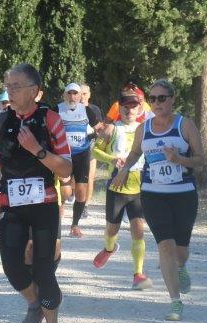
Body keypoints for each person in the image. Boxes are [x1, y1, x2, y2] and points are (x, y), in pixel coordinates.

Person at [0, 64, 72, 323]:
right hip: (11, 206)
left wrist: (36, 150)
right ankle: (34, 304)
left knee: (44, 270)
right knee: (12, 267)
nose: (10, 92)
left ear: (35, 91)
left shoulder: (50, 120)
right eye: (8, 86)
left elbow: (66, 169)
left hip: (44, 206)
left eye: (16, 86)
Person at [112, 79, 203, 321]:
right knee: (165, 246)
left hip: (183, 195)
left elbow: (201, 160)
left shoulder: (185, 125)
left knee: (181, 250)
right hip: (153, 194)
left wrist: (180, 160)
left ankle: (181, 267)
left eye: (162, 98)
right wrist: (124, 169)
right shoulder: (144, 128)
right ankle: (175, 301)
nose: (157, 103)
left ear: (172, 99)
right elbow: (135, 152)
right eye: (152, 99)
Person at [92, 87, 152, 290]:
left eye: (133, 106)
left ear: (140, 108)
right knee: (112, 230)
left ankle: (138, 274)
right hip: (116, 187)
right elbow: (95, 151)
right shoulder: (111, 129)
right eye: (125, 106)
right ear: (119, 108)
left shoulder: (145, 129)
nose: (129, 110)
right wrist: (112, 159)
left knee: (138, 230)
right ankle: (109, 248)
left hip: (138, 188)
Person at [56, 82, 99, 238]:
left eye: (75, 94)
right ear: (64, 95)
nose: (72, 97)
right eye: (69, 93)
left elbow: (99, 128)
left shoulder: (86, 110)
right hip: (63, 155)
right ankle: (56, 222)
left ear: (80, 96)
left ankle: (75, 225)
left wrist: (95, 136)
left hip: (82, 154)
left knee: (81, 193)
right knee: (66, 193)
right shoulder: (57, 109)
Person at [80, 83, 104, 218]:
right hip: (74, 146)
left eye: (85, 94)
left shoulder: (95, 109)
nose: (82, 96)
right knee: (73, 177)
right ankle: (75, 196)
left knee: (90, 176)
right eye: (80, 93)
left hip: (90, 144)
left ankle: (85, 205)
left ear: (89, 95)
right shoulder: (71, 109)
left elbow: (99, 128)